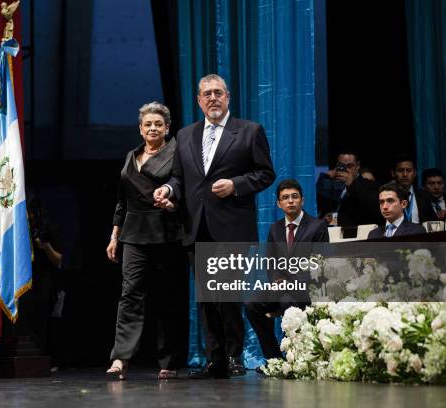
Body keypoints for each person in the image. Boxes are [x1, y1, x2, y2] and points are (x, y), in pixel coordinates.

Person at [154, 74, 275, 379]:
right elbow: (180, 179)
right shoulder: (184, 135)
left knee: (228, 294)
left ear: (228, 97)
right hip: (196, 226)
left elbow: (265, 173)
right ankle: (214, 359)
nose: (212, 98)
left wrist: (236, 185)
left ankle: (234, 356)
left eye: (218, 93)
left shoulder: (249, 131)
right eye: (206, 94)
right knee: (207, 297)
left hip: (232, 226)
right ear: (198, 100)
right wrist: (168, 191)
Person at [106, 101, 187, 380]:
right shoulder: (132, 155)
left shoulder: (177, 153)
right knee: (130, 295)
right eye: (147, 124)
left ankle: (168, 361)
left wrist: (172, 204)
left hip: (166, 231)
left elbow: (183, 187)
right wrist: (114, 235)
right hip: (133, 233)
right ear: (140, 129)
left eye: (158, 124)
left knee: (167, 297)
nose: (153, 128)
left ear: (167, 128)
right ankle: (121, 358)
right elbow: (121, 200)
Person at [246, 179, 328, 361]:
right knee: (252, 304)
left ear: (302, 200)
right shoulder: (275, 228)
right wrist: (276, 279)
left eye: (294, 197)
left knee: (286, 302)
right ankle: (274, 359)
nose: (290, 201)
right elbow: (271, 262)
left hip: (308, 287)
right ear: (279, 203)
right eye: (285, 198)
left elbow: (319, 264)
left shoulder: (317, 226)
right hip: (282, 287)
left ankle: (298, 358)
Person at [315, 150, 382, 228]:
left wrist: (351, 185)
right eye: (342, 166)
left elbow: (373, 211)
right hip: (330, 233)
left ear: (358, 166)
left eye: (350, 166)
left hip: (356, 234)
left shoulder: (369, 185)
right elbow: (316, 204)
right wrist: (325, 178)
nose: (346, 170)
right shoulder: (332, 185)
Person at [391, 154, 436, 224]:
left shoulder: (424, 196)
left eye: (409, 170)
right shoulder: (386, 197)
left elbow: (433, 222)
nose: (405, 174)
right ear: (393, 173)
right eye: (400, 170)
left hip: (420, 234)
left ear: (415, 173)